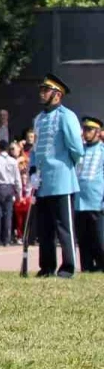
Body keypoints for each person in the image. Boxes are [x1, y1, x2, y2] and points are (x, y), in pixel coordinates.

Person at [30, 74, 84, 277]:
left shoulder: (66, 116)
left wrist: (66, 168)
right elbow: (35, 149)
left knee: (64, 227)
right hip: (43, 181)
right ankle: (47, 267)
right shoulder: (39, 118)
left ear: (57, 94)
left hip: (61, 180)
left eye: (46, 90)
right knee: (44, 229)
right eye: (41, 90)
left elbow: (77, 149)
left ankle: (68, 267)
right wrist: (33, 170)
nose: (42, 93)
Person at [74, 116, 104, 272]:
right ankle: (86, 266)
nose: (86, 132)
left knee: (99, 237)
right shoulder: (80, 150)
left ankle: (101, 265)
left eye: (89, 130)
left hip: (96, 200)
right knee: (83, 238)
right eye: (84, 129)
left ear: (98, 132)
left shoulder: (102, 150)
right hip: (79, 201)